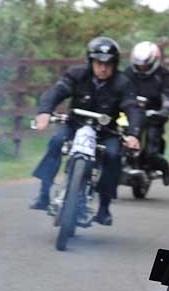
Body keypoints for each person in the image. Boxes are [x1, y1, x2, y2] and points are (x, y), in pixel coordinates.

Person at [30, 36, 143, 226]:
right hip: (76, 125)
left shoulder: (123, 83)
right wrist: (44, 113)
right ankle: (43, 193)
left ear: (115, 64)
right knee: (56, 142)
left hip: (106, 131)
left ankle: (104, 208)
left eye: (108, 64)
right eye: (99, 63)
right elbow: (56, 92)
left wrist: (133, 134)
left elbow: (132, 108)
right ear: (91, 61)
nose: (103, 68)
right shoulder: (76, 75)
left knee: (114, 156)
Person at [124, 41, 169, 186]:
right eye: (138, 64)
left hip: (153, 116)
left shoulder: (164, 75)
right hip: (130, 113)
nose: (141, 67)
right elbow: (119, 90)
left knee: (151, 149)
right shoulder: (128, 73)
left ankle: (163, 165)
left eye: (145, 64)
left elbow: (168, 96)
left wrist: (165, 110)